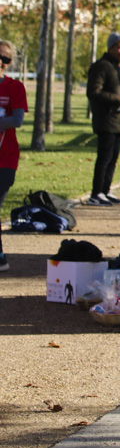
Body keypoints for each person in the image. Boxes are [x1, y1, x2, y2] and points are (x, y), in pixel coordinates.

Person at [86, 32, 120, 206]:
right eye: (119, 48)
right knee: (104, 158)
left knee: (112, 158)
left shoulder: (117, 68)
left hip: (118, 121)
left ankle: (105, 190)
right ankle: (96, 193)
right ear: (110, 48)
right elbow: (93, 92)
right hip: (106, 120)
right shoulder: (101, 66)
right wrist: (118, 99)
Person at [0, 39, 28, 273]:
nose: (1, 62)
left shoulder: (14, 88)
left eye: (6, 59)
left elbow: (16, 120)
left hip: (5, 158)